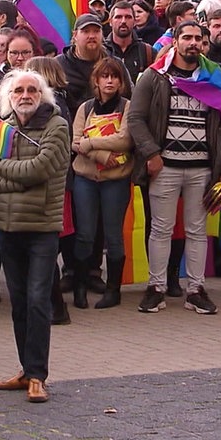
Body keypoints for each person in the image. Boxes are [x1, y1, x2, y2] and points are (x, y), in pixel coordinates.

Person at [128, 21, 221, 315]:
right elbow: (136, 119)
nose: (192, 43)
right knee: (161, 229)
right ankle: (156, 288)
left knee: (197, 231)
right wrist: (151, 153)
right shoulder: (154, 77)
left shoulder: (215, 78)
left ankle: (196, 289)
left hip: (203, 169)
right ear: (175, 41)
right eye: (186, 37)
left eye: (197, 39)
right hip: (164, 167)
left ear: (204, 43)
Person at [0, 70, 69, 404]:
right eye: (19, 90)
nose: (26, 94)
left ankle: (38, 375)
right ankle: (26, 369)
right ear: (8, 95)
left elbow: (41, 169)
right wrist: (18, 179)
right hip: (8, 227)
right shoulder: (3, 128)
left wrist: (6, 168)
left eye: (33, 89)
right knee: (18, 304)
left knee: (37, 301)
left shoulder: (56, 126)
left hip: (42, 228)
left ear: (42, 94)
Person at [69, 58, 134, 309]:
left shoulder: (128, 107)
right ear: (96, 80)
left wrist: (91, 143)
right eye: (104, 76)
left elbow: (124, 140)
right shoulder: (85, 108)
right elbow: (76, 142)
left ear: (120, 81)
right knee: (85, 234)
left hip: (115, 181)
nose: (109, 81)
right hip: (85, 179)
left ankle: (113, 290)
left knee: (113, 235)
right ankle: (80, 287)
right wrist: (103, 156)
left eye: (114, 76)